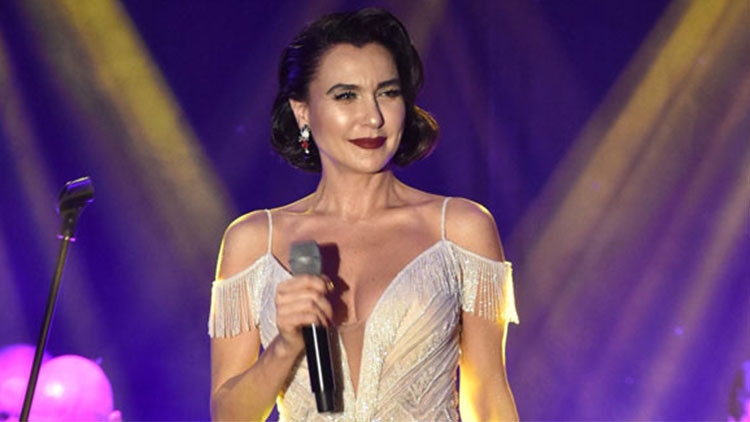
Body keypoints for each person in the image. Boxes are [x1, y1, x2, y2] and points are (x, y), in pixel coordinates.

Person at [208, 8, 519, 421]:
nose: (373, 117)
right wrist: (285, 347)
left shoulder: (461, 229)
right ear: (303, 111)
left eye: (387, 93)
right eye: (346, 96)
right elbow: (228, 415)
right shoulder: (254, 240)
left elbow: (489, 396)